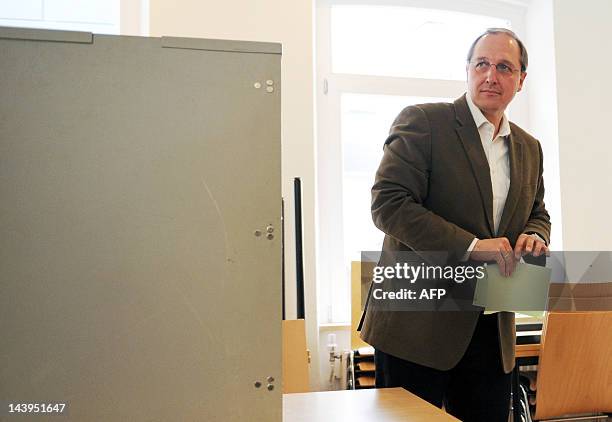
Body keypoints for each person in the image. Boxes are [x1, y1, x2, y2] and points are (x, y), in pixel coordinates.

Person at [359, 28, 551, 421]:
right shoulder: (426, 123)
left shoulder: (529, 147)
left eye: (504, 67)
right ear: (467, 70)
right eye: (481, 64)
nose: (490, 76)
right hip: (416, 330)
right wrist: (470, 246)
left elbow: (537, 211)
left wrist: (535, 234)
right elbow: (388, 204)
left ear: (521, 79)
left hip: (491, 328)